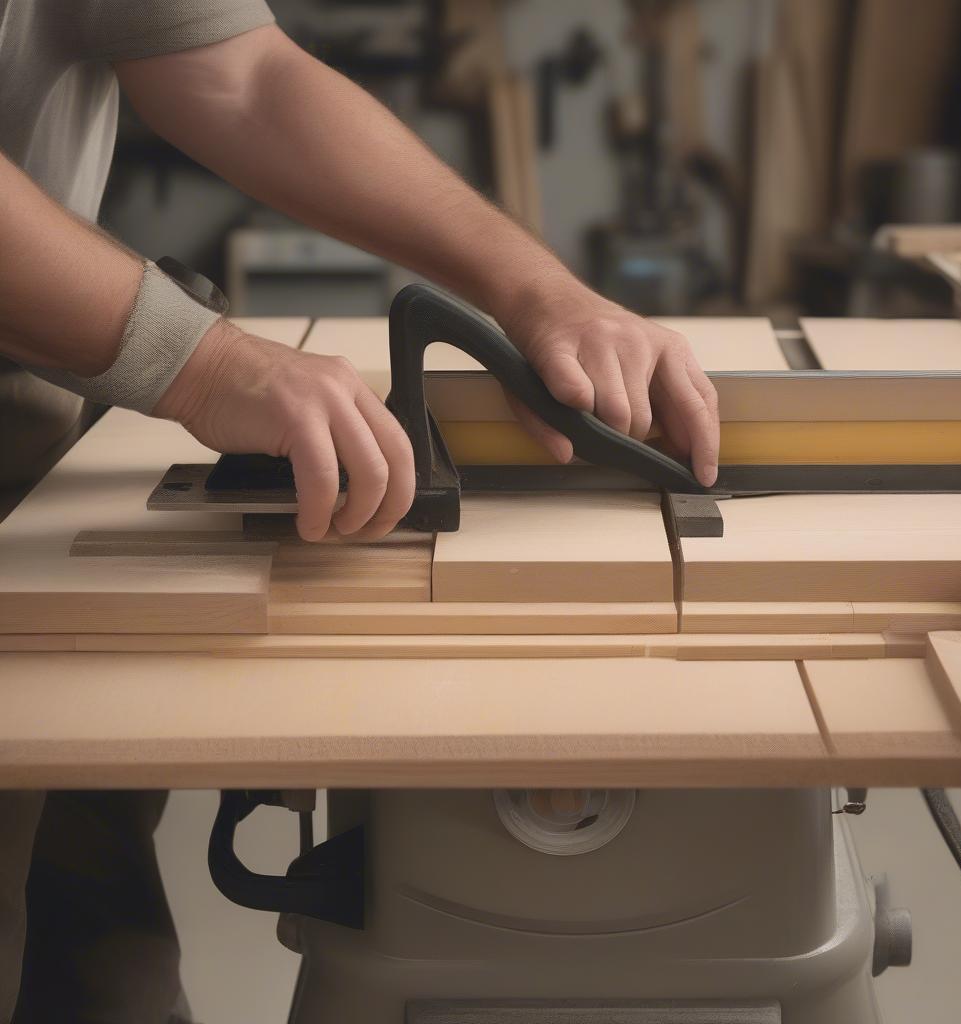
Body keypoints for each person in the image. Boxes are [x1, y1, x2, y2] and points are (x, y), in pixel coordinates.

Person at [0, 2, 720, 1020]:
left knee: (96, 953)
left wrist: (535, 290)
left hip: (40, 389)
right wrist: (203, 364)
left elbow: (237, 71)